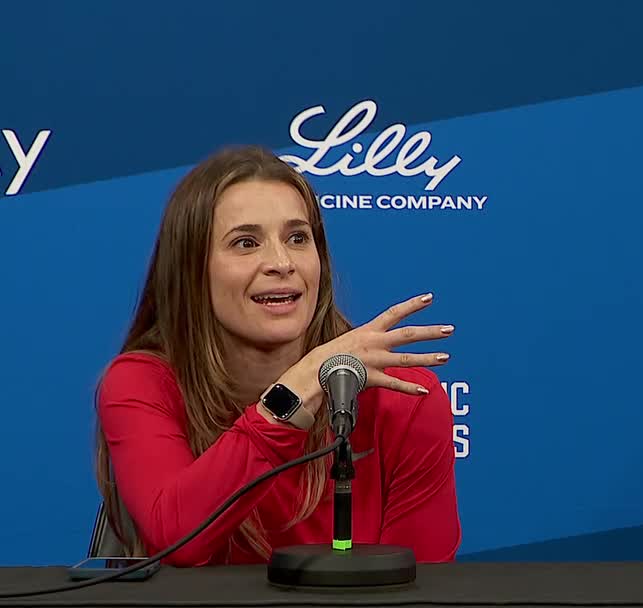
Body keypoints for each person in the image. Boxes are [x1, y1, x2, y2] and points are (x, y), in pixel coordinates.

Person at [94, 146, 460, 566]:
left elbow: (419, 591)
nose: (282, 262)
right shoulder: (141, 383)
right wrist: (297, 388)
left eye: (297, 238)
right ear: (191, 269)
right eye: (246, 242)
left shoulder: (401, 398)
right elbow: (179, 539)